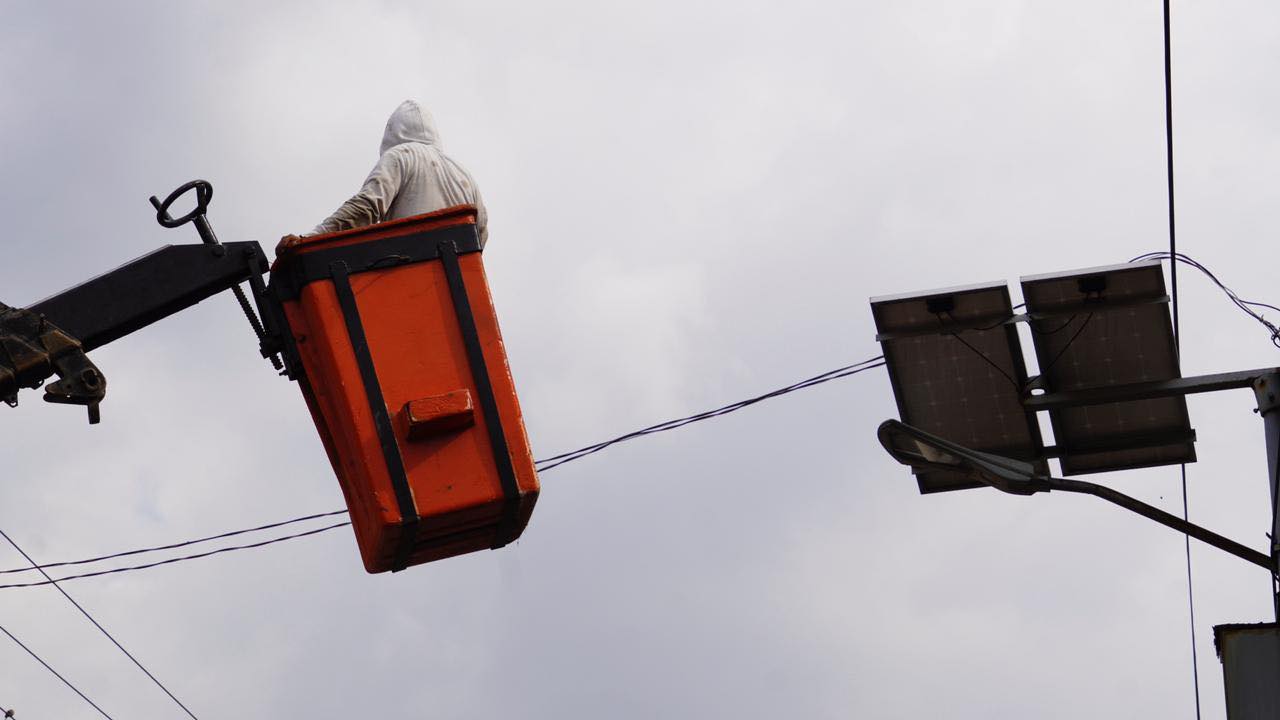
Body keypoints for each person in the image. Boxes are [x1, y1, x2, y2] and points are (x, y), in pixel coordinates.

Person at [307, 100, 488, 245]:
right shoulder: (465, 175)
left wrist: (311, 239)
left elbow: (366, 207)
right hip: (458, 280)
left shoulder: (400, 155)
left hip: (410, 271)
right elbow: (480, 234)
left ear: (392, 134)